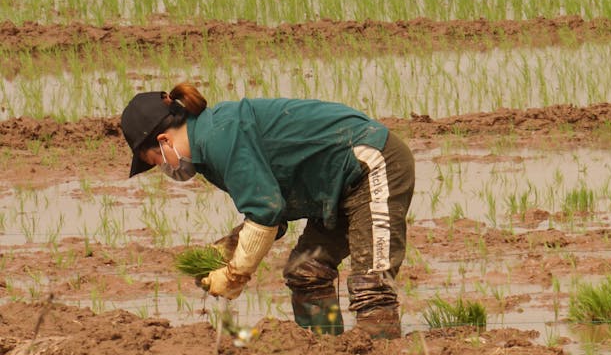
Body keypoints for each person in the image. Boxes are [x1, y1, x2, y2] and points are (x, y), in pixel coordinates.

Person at [120, 83, 415, 340]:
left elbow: (267, 213)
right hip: (336, 186)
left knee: (371, 286)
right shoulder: (208, 153)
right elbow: (275, 210)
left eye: (157, 160)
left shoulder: (218, 139)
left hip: (370, 164)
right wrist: (224, 251)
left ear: (163, 141)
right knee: (306, 272)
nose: (165, 168)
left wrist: (235, 275)